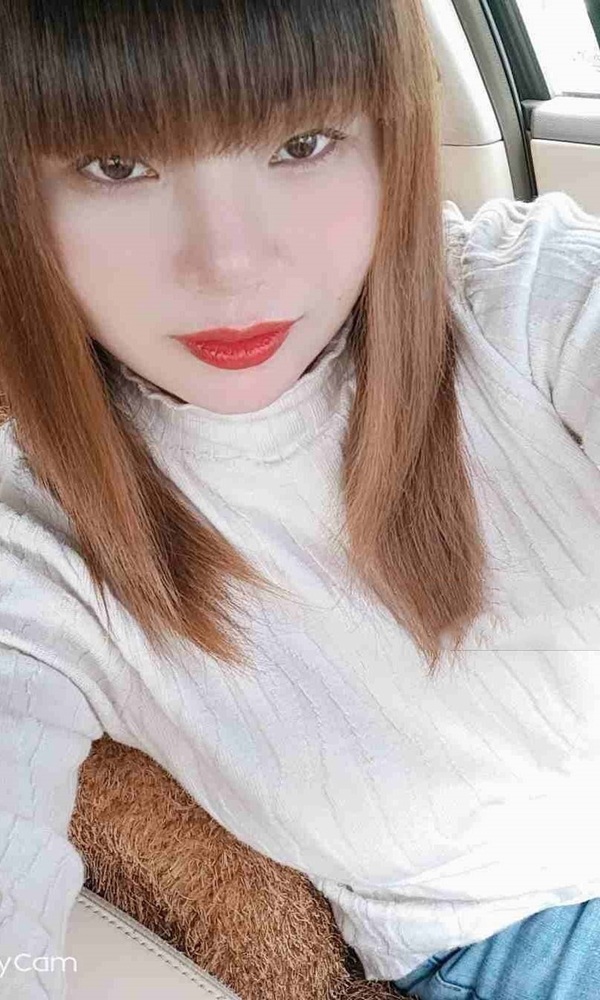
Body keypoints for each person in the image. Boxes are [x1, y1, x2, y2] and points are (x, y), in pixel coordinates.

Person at [0, 0, 599, 998]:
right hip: (519, 944)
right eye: (117, 165)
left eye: (302, 144)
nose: (229, 264)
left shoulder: (525, 291)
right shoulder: (32, 540)